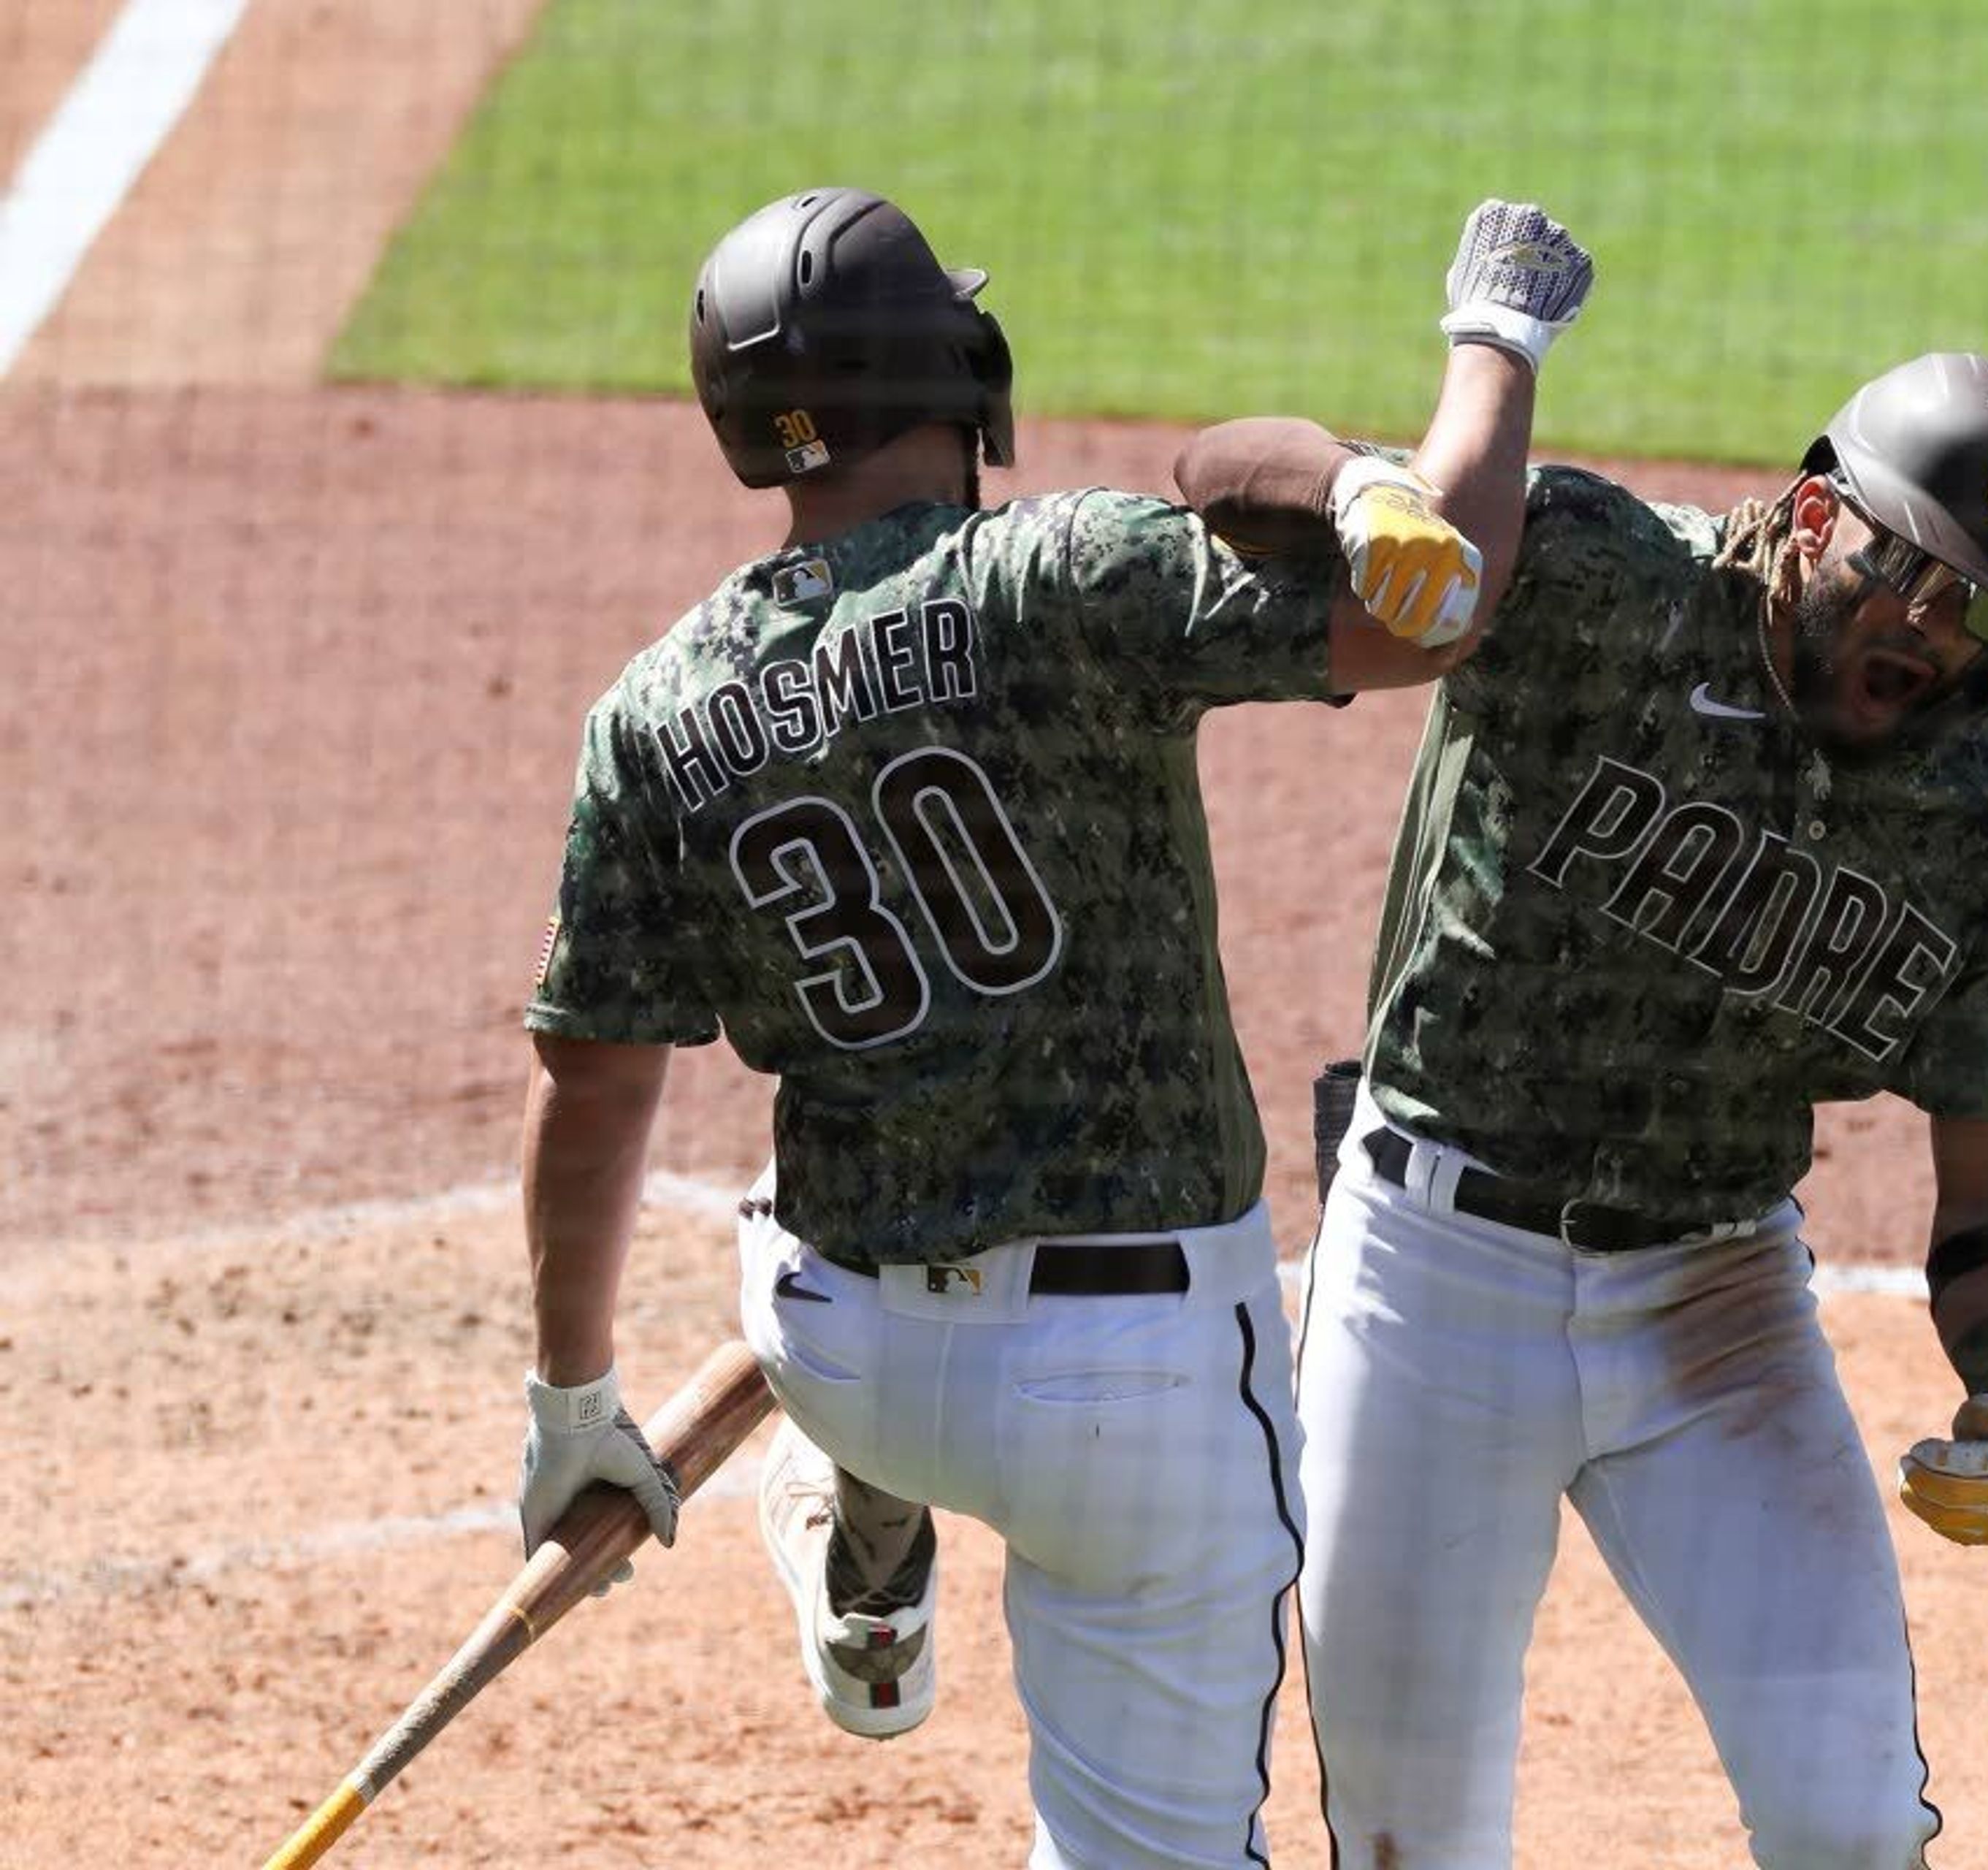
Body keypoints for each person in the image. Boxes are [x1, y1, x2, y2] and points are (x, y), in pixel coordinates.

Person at [510, 186, 1594, 1868]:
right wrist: (1497, 342)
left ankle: (860, 1508)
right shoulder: (1060, 574)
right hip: (1133, 1390)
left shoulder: (653, 713)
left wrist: (577, 1400)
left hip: (845, 1340)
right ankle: (865, 1501)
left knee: (802, 1223)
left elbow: (594, 1084)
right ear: (952, 372)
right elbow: (1435, 606)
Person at [1175, 349, 1988, 1867]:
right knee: (1414, 1838)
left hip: (1718, 1308)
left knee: (1855, 1824)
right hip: (1431, 1283)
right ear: (1818, 511)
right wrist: (1366, 483)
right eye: (1914, 575)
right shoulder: (1601, 583)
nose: (1934, 636)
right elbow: (1218, 469)